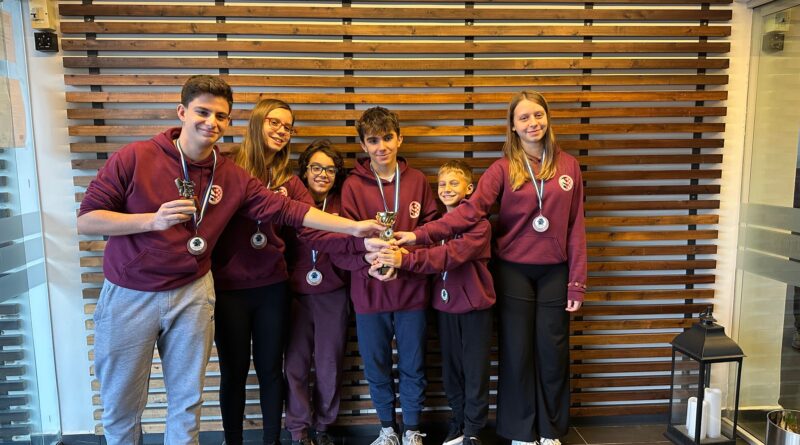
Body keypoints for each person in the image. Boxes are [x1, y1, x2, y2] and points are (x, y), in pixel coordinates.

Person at [77, 75, 383, 445]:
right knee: (122, 405)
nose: (211, 122)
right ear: (182, 112)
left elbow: (289, 210)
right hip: (131, 293)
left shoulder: (232, 175)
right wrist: (151, 221)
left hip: (191, 291)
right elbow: (87, 219)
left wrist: (354, 228)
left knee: (187, 404)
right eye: (202, 112)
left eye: (220, 116)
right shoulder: (135, 157)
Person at [395, 91, 587, 445]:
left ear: (547, 118)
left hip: (555, 271)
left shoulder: (569, 166)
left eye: (538, 115)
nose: (532, 123)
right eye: (524, 118)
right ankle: (521, 431)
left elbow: (576, 225)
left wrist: (577, 281)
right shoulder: (503, 168)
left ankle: (550, 430)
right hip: (513, 270)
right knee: (517, 351)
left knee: (552, 350)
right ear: (513, 126)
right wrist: (419, 234)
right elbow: (469, 212)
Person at [334, 107, 439, 445]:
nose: (382, 147)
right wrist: (370, 261)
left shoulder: (418, 181)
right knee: (376, 363)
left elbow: (431, 231)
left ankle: (412, 428)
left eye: (388, 138)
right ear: (363, 146)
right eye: (373, 140)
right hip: (369, 290)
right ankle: (387, 429)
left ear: (400, 139)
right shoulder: (352, 185)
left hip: (411, 290)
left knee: (413, 363)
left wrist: (406, 258)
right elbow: (346, 238)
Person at [377, 160, 495, 445]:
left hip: (475, 309)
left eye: (454, 183)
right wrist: (390, 257)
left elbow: (448, 256)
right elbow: (421, 251)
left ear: (470, 188)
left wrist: (405, 260)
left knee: (475, 371)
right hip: (444, 308)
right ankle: (458, 423)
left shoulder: (480, 225)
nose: (446, 188)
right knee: (451, 372)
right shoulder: (434, 227)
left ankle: (474, 430)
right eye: (442, 184)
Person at [284, 140, 350, 445]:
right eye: (316, 167)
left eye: (330, 169)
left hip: (332, 293)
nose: (323, 174)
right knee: (294, 364)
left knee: (329, 363)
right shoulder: (290, 202)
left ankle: (323, 426)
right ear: (304, 171)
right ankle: (299, 431)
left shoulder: (343, 204)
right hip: (294, 294)